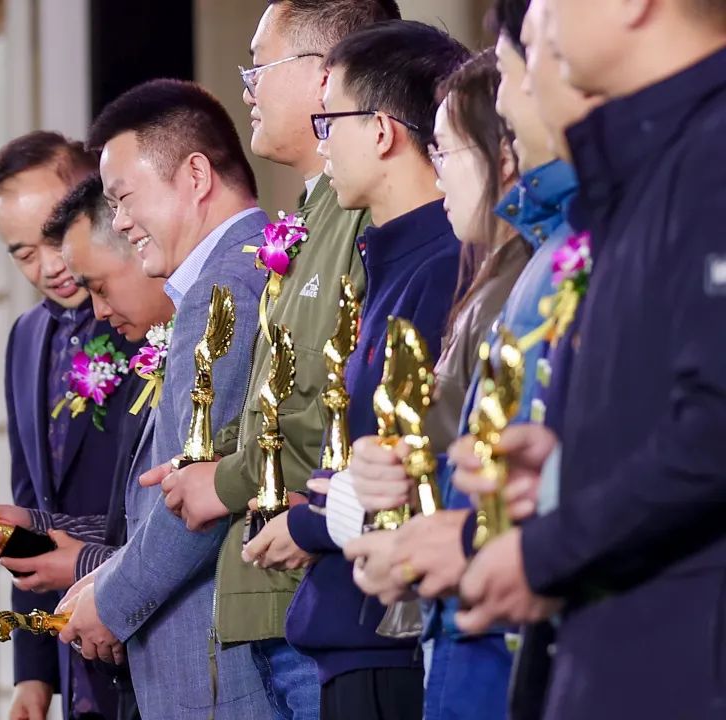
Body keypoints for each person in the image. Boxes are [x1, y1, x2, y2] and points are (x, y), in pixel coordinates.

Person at [451, 0, 726, 718]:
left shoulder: (712, 153)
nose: (539, 22)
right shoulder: (658, 164)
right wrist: (573, 470)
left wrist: (547, 551)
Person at [159, 3, 401, 716]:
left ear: (325, 74)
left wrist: (225, 479)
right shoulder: (316, 210)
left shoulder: (365, 212)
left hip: (324, 583)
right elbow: (284, 393)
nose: (247, 89)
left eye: (259, 67)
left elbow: (340, 398)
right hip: (282, 595)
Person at [257, 22, 470, 720]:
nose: (321, 141)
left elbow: (416, 465)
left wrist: (315, 523)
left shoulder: (442, 266)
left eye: (331, 119)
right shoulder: (395, 260)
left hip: (389, 634)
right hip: (357, 632)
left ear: (381, 131)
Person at [55, 78, 270, 719]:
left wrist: (110, 600)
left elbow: (199, 499)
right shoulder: (248, 267)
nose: (120, 221)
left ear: (195, 176)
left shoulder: (224, 288)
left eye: (123, 198)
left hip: (223, 670)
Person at [340, 48, 534, 720]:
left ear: (503, 158)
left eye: (447, 151)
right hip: (459, 605)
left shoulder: (516, 276)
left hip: (489, 610)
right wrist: (385, 470)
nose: (437, 170)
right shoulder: (492, 276)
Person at [0, 132, 141, 720]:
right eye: (22, 253)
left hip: (140, 624)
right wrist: (33, 676)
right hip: (70, 649)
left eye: (53, 236)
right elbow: (30, 507)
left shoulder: (145, 313)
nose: (48, 266)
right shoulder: (25, 339)